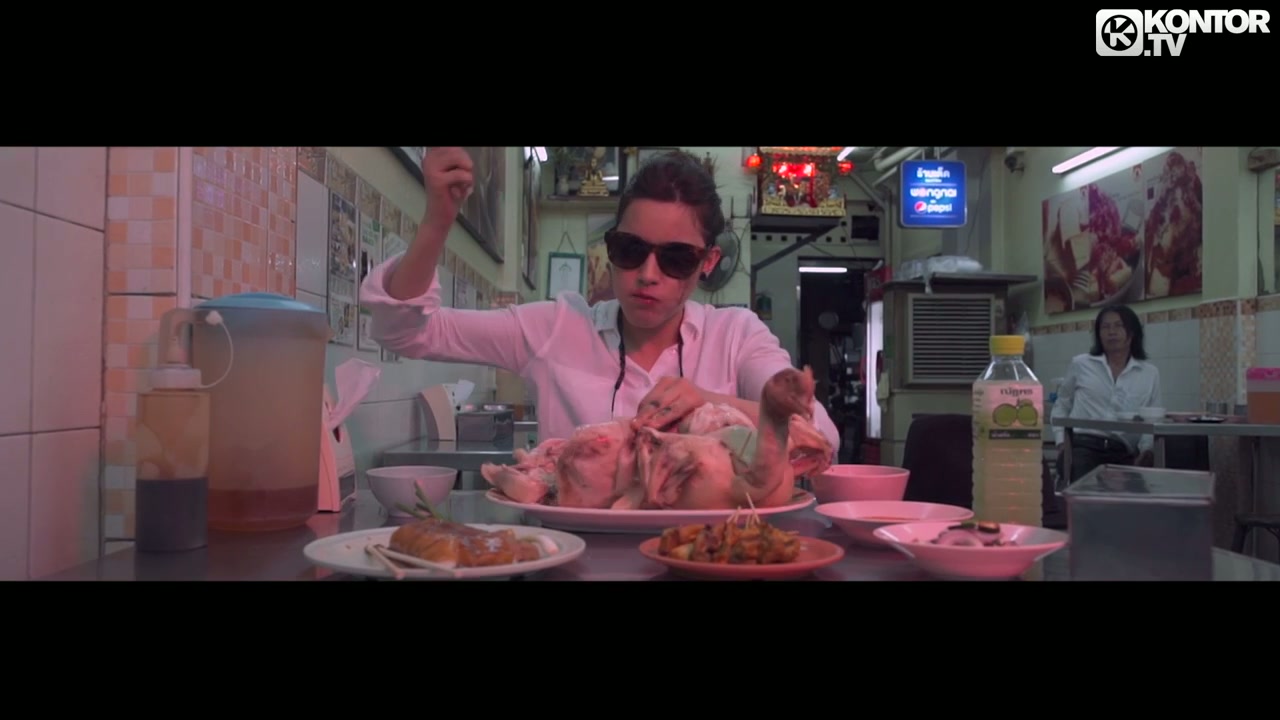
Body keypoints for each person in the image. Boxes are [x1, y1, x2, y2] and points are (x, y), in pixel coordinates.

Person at [359, 147, 840, 454]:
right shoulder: (556, 329)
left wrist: (711, 402)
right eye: (629, 251)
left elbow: (819, 434)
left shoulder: (735, 336)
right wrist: (438, 220)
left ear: (708, 261)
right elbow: (405, 333)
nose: (647, 275)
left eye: (675, 259)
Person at [1051, 304, 1162, 485]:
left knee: (1136, 491)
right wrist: (1061, 443)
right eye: (1105, 327)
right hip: (1082, 445)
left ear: (1132, 333)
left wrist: (1146, 451)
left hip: (1123, 450)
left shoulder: (1149, 373)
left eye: (1118, 326)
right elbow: (1062, 405)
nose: (1111, 332)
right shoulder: (1081, 364)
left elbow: (1152, 419)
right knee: (1084, 486)